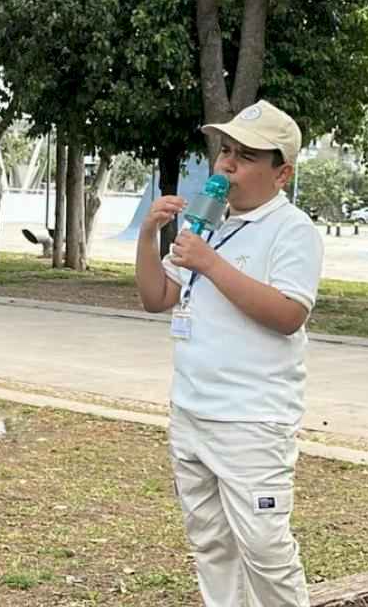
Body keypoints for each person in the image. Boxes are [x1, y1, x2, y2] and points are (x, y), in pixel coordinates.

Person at [134, 100, 324, 607]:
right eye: (225, 151)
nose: (227, 165)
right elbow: (158, 299)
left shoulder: (291, 230)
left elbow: (289, 314)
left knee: (264, 547)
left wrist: (212, 264)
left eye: (246, 157)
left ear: (281, 173)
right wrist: (149, 235)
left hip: (251, 422)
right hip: (192, 412)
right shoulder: (206, 224)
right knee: (211, 545)